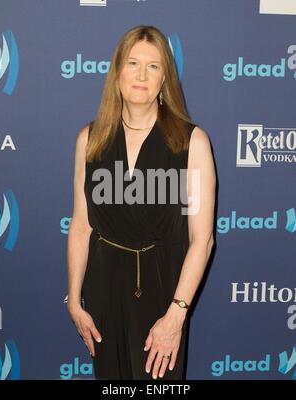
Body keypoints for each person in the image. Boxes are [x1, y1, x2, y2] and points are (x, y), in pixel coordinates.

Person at [67, 25, 216, 380]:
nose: (141, 75)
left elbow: (202, 240)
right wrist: (74, 299)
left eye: (153, 66)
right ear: (117, 71)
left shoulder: (191, 142)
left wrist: (176, 315)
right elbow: (81, 225)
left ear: (165, 79)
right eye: (133, 63)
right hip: (104, 288)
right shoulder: (90, 139)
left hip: (164, 288)